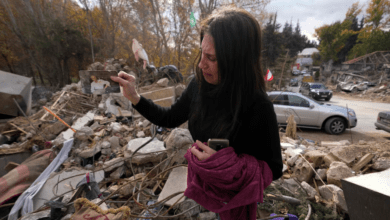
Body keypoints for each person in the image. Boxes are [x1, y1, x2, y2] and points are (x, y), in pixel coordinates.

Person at [111, 6, 282, 220]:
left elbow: (274, 168)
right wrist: (134, 97)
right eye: (202, 52)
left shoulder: (258, 105)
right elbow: (170, 117)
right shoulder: (199, 84)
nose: (201, 64)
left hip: (234, 201)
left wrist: (228, 165)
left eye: (211, 58)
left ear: (236, 60)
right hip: (200, 187)